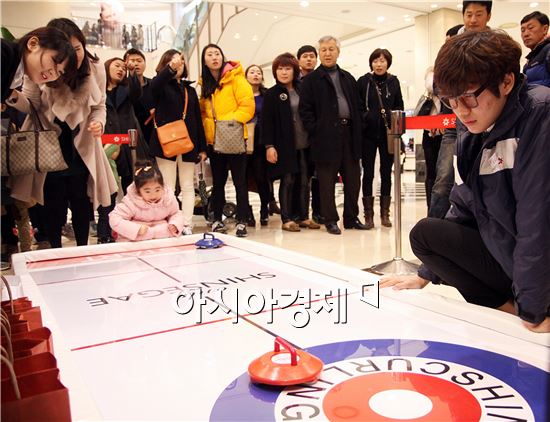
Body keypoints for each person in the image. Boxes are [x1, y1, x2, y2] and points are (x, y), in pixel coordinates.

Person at [381, 30, 550, 334]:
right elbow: (463, 203)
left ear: (507, 82)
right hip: (510, 250)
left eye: (469, 97)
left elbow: (537, 220)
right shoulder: (472, 127)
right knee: (426, 235)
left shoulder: (540, 115)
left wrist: (535, 310)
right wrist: (426, 274)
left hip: (541, 257)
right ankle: (510, 308)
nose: (460, 110)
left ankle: (528, 309)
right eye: (451, 101)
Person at [8, 18, 117, 249]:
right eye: (65, 50)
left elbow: (100, 106)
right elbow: (33, 106)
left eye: (77, 48)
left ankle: (82, 247)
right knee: (52, 201)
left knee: (82, 200)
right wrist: (11, 96)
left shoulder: (94, 67)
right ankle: (54, 248)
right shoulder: (38, 66)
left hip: (82, 143)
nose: (71, 56)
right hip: (48, 143)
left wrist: (98, 124)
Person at [429, 2, 492, 219]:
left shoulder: (495, 45)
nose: (473, 19)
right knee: (444, 180)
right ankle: (435, 234)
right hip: (457, 125)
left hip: (490, 125)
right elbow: (438, 84)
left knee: (487, 181)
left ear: (488, 16)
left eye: (479, 14)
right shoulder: (451, 45)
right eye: (469, 14)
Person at [299, 35, 367, 235]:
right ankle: (330, 219)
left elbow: (359, 106)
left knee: (353, 180)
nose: (327, 53)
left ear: (338, 51)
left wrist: (360, 124)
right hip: (325, 138)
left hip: (350, 135)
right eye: (324, 50)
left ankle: (351, 217)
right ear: (320, 54)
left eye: (331, 49)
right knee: (327, 182)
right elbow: (305, 111)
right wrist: (317, 130)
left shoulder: (348, 77)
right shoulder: (311, 80)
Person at [199, 43, 255, 237]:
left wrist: (230, 123)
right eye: (209, 54)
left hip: (234, 137)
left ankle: (242, 220)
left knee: (240, 181)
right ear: (204, 61)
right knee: (219, 181)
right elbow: (203, 113)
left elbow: (247, 106)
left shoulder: (237, 80)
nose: (214, 57)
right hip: (214, 141)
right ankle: (216, 220)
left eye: (217, 53)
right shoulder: (204, 84)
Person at [149, 50, 207, 235]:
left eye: (180, 63)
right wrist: (168, 70)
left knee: (188, 186)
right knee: (167, 187)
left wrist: (202, 148)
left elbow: (197, 120)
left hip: (188, 144)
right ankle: (168, 222)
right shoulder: (159, 85)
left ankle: (186, 224)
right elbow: (150, 93)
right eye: (173, 63)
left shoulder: (189, 90)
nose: (177, 66)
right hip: (165, 143)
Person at [262, 53, 320, 233]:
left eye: (287, 68)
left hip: (305, 142)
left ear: (295, 70)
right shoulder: (272, 94)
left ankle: (302, 216)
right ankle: (286, 218)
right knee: (287, 180)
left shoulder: (302, 89)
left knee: (305, 180)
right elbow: (266, 122)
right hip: (284, 145)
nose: (284, 72)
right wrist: (269, 146)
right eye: (280, 68)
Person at [357, 48, 404, 228]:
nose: (379, 64)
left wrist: (399, 136)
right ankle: (368, 216)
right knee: (367, 173)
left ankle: (385, 215)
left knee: (386, 173)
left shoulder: (394, 82)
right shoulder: (363, 81)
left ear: (388, 63)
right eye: (376, 61)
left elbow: (399, 106)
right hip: (367, 135)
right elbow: (358, 106)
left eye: (382, 61)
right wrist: (365, 119)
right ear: (371, 63)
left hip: (388, 134)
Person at [109, 160, 184, 241]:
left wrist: (175, 224)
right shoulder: (131, 202)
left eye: (157, 190)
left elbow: (176, 213)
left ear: (163, 186)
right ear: (138, 190)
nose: (153, 195)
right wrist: (136, 229)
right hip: (137, 241)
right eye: (147, 191)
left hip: (163, 239)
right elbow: (115, 219)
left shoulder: (168, 199)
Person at [244, 64, 271, 227]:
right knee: (243, 178)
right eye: (252, 72)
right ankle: (247, 211)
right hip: (244, 140)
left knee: (262, 177)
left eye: (258, 72)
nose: (255, 75)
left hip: (262, 140)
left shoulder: (266, 95)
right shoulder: (241, 95)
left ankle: (264, 209)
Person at [123, 48, 154, 148]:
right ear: (126, 64)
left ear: (145, 63)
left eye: (139, 61)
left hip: (153, 132)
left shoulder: (153, 84)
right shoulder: (122, 86)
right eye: (132, 61)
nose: (136, 64)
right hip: (132, 132)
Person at [520, 11, 550, 87]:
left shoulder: (548, 50)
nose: (525, 34)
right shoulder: (530, 60)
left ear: (545, 29)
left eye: (530, 28)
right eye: (522, 30)